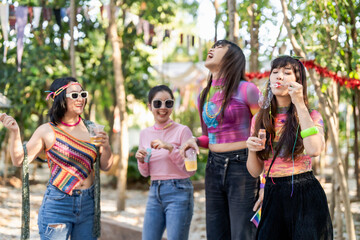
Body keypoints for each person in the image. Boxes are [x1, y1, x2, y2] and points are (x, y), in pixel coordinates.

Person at [0, 77, 113, 240]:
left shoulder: (92, 128)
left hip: (88, 204)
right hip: (58, 204)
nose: (81, 98)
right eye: (74, 95)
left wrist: (106, 146)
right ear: (60, 99)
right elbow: (19, 160)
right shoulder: (47, 131)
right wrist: (15, 133)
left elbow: (106, 166)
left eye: (83, 94)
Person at [180, 39, 261, 239]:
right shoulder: (203, 95)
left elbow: (264, 133)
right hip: (213, 167)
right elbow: (211, 138)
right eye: (213, 46)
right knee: (216, 233)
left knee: (242, 233)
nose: (212, 49)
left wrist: (265, 182)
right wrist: (196, 141)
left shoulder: (247, 89)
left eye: (219, 47)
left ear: (232, 58)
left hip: (243, 166)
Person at [246, 55, 333, 239]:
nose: (279, 76)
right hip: (272, 193)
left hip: (305, 193)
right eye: (275, 72)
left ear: (298, 81)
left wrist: (299, 103)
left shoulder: (311, 115)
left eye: (287, 73)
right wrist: (252, 150)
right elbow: (255, 171)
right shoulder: (259, 119)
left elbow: (314, 150)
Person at [135, 85, 195, 240]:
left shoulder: (183, 131)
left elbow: (190, 170)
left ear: (173, 105)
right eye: (157, 103)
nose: (163, 108)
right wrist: (141, 160)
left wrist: (170, 148)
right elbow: (145, 172)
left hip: (179, 191)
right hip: (155, 191)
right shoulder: (145, 134)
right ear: (149, 106)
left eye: (168, 103)